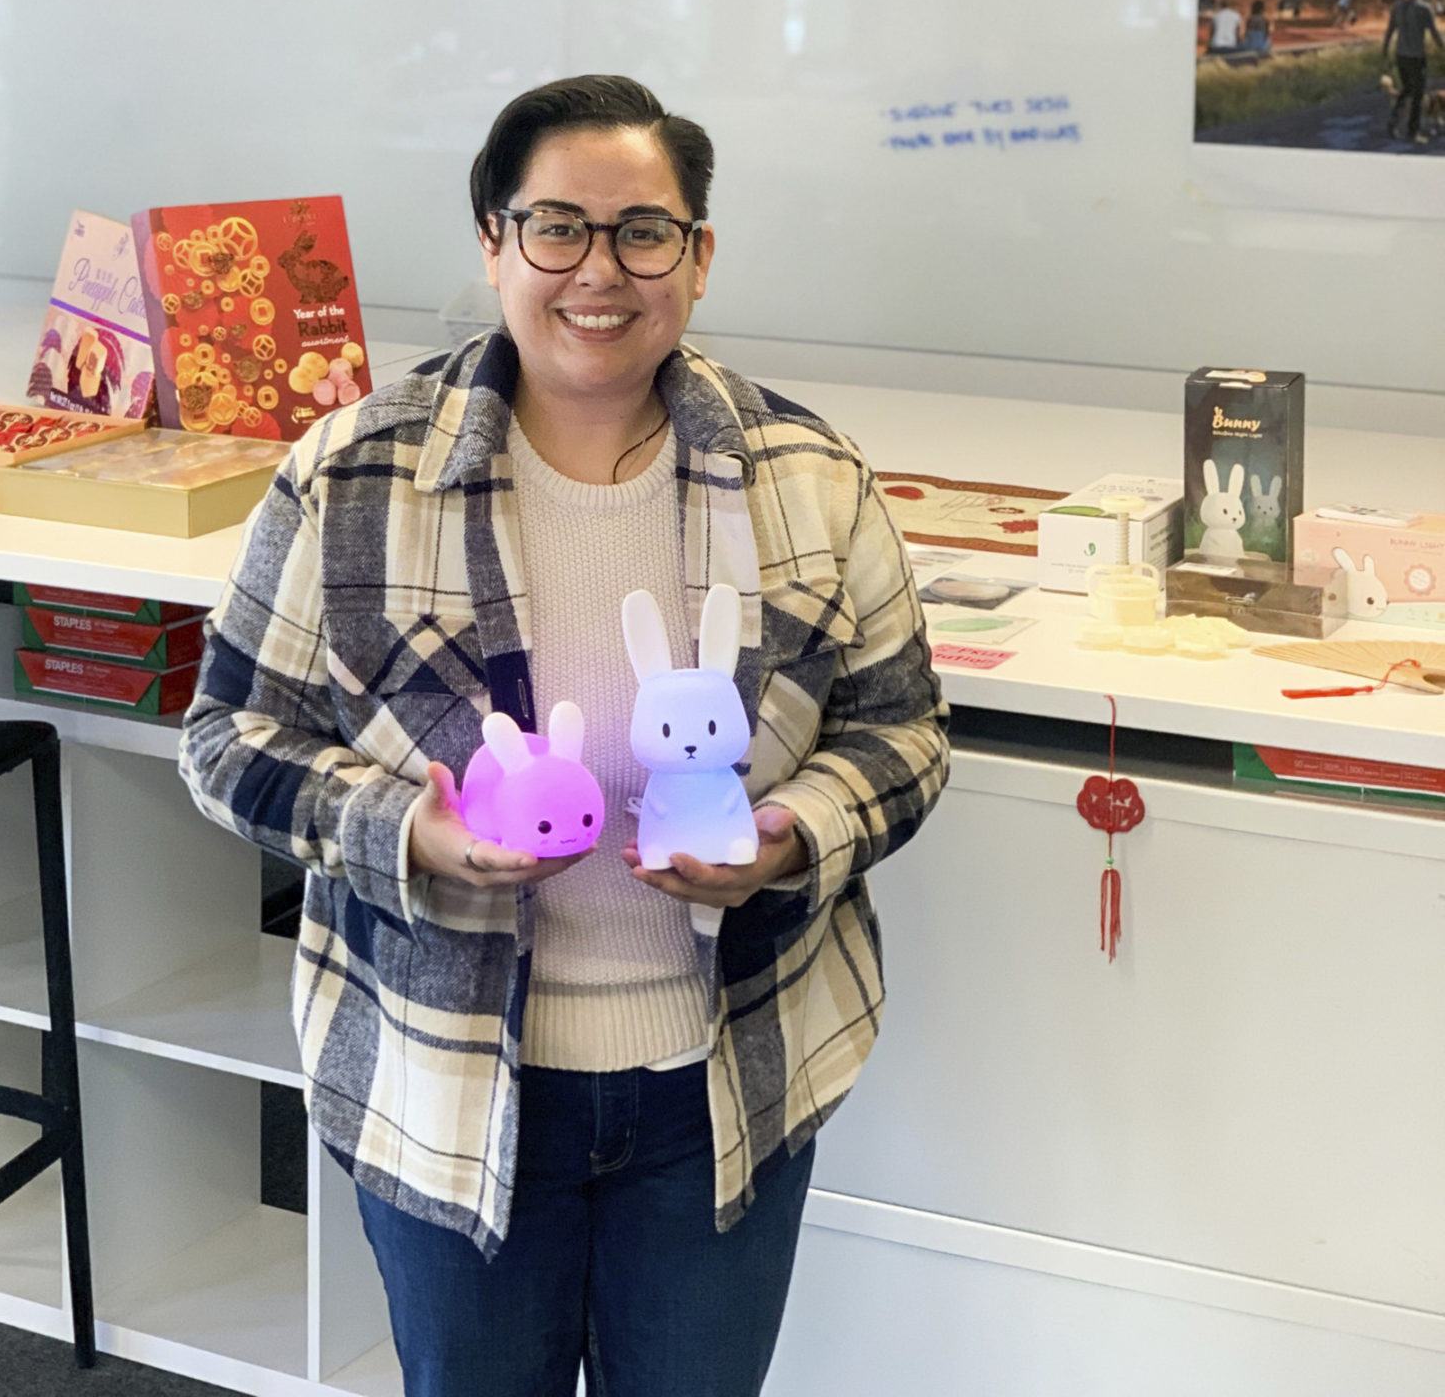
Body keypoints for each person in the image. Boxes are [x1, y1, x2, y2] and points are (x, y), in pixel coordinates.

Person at [179, 75, 948, 1397]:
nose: (601, 271)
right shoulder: (352, 473)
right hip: (447, 1076)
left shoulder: (808, 481)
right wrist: (406, 834)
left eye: (644, 232)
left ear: (699, 257)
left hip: (723, 1086)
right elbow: (233, 738)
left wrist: (787, 838)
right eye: (557, 229)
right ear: (493, 242)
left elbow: (904, 735)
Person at [1383, 0, 1445, 142]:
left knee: (1406, 89)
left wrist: (1384, 50)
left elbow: (1390, 31)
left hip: (1401, 55)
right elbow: (1435, 33)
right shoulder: (1424, 9)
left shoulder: (1397, 7)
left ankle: (1394, 121)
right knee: (1418, 94)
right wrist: (1443, 48)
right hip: (1416, 57)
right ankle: (1413, 132)